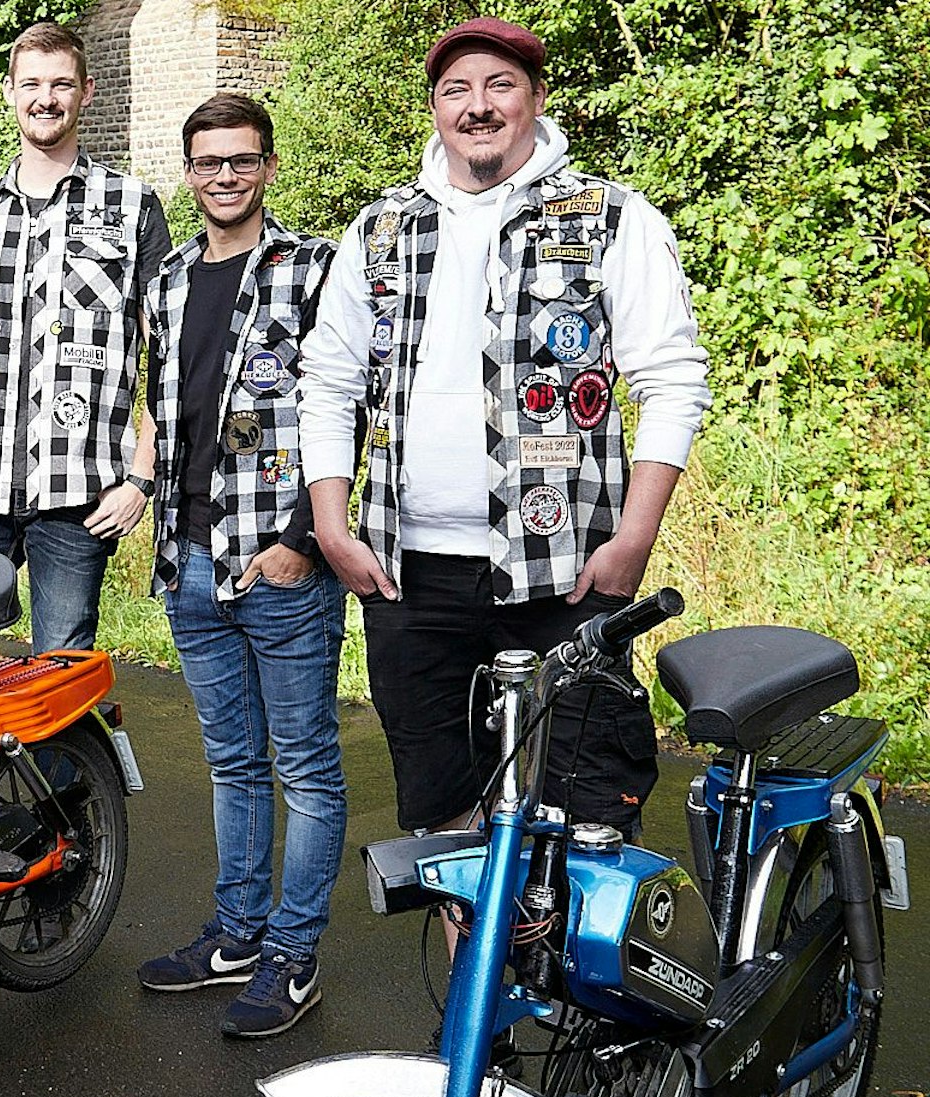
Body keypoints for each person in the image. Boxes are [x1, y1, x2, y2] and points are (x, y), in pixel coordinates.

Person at [298, 18, 711, 845]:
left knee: (584, 815)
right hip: (406, 580)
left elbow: (672, 379)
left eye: (499, 86)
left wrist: (634, 537)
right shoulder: (381, 229)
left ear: (536, 99)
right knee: (444, 829)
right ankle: (477, 979)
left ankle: (561, 975)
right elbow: (329, 379)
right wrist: (332, 525)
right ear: (433, 109)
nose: (477, 107)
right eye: (456, 90)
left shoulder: (611, 218)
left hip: (564, 579)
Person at [134, 94, 347, 1038]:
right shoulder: (170, 278)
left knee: (303, 763)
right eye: (209, 160)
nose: (225, 174)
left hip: (278, 561)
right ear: (188, 172)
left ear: (267, 166)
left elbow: (354, 410)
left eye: (243, 159)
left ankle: (293, 955)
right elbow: (164, 413)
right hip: (187, 559)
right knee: (232, 761)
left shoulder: (315, 269)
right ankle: (237, 934)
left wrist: (303, 540)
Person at [0, 21, 171, 668]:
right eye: (31, 84)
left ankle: (67, 773)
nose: (45, 98)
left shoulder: (132, 206)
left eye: (60, 84)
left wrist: (142, 476)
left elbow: (167, 354)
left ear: (86, 91)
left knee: (58, 686)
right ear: (8, 94)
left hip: (77, 494)